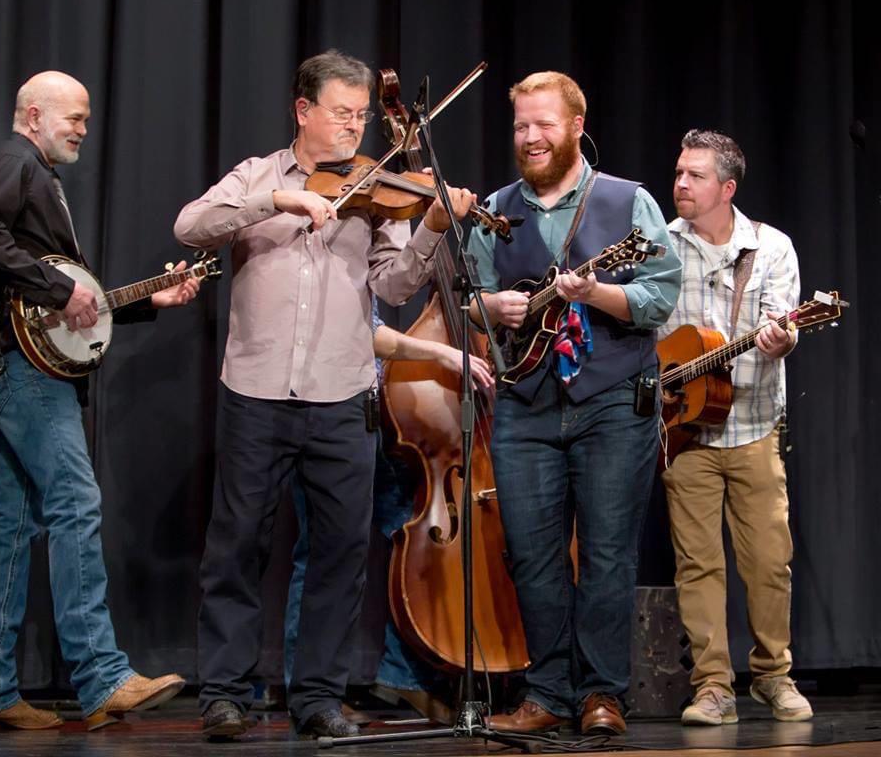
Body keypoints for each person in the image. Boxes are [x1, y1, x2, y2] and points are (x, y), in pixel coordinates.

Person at [172, 49, 475, 740]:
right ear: (303, 110)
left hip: (342, 396)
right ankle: (225, 692)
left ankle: (317, 698)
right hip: (254, 389)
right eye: (342, 113)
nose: (354, 128)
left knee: (340, 550)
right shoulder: (258, 175)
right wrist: (279, 200)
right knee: (236, 545)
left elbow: (394, 287)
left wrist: (431, 228)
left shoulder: (373, 189)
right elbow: (191, 225)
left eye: (362, 116)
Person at [0, 71, 193, 732]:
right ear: (32, 114)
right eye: (72, 116)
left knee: (14, 526)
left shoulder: (33, 171)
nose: (83, 127)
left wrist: (146, 302)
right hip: (20, 372)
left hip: (18, 363)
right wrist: (54, 286)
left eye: (85, 118)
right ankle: (103, 676)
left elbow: (69, 306)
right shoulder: (13, 159)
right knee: (75, 504)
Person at [466, 71, 681, 736]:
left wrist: (595, 295)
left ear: (576, 127)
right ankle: (547, 693)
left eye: (544, 124)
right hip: (525, 401)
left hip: (613, 398)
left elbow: (657, 296)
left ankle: (601, 695)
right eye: (521, 126)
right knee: (531, 553)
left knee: (609, 551)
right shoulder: (497, 208)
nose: (530, 137)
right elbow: (470, 297)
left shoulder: (627, 203)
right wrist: (490, 308)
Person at [660, 129, 812, 726]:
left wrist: (782, 338)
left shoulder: (770, 248)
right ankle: (713, 687)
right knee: (697, 563)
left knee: (769, 561)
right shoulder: (660, 245)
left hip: (752, 426)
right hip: (686, 429)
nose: (680, 185)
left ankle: (774, 675)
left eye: (694, 176)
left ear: (727, 188)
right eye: (678, 173)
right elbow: (648, 326)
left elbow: (783, 324)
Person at [282, 302, 494, 726]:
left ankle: (406, 677)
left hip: (390, 419)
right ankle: (311, 692)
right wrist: (442, 353)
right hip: (329, 414)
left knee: (413, 545)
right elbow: (363, 329)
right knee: (324, 553)